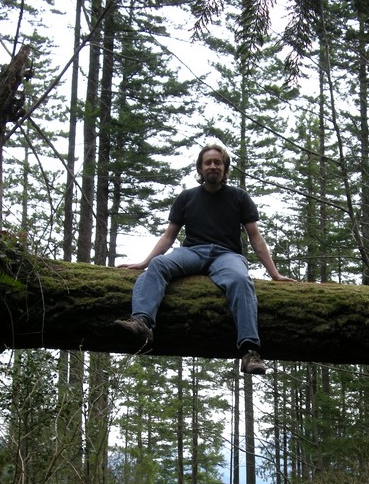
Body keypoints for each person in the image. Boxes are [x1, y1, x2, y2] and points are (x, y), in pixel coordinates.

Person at [115, 144, 294, 374]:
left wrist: (275, 274)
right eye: (207, 162)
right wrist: (145, 262)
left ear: (225, 168)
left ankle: (250, 351)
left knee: (241, 280)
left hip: (227, 255)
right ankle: (142, 323)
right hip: (192, 252)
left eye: (218, 162)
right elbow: (169, 237)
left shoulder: (239, 197)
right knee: (159, 264)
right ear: (200, 168)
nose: (212, 166)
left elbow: (255, 237)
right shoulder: (187, 197)